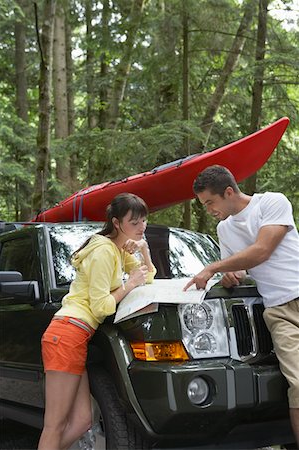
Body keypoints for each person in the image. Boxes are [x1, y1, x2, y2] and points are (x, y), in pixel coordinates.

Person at [183, 165, 299, 446]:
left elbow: (262, 250)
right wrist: (231, 276)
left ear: (229, 192)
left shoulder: (271, 202)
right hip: (278, 311)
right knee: (298, 386)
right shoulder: (224, 229)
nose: (208, 209)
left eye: (210, 202)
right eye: (203, 204)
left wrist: (213, 267)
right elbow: (241, 268)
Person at [38, 193, 156, 450]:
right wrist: (128, 283)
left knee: (82, 421)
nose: (141, 227)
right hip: (66, 334)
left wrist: (145, 250)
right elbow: (101, 306)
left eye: (144, 221)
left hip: (77, 337)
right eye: (134, 222)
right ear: (116, 222)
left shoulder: (117, 248)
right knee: (55, 425)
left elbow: (147, 277)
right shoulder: (103, 251)